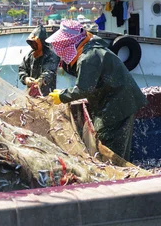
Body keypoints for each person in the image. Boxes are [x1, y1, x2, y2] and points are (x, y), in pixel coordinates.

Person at [46, 19, 147, 160]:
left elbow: (84, 89)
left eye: (61, 45)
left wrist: (61, 96)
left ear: (70, 42)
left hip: (119, 102)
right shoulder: (90, 46)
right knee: (106, 139)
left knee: (110, 145)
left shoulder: (89, 57)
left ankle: (118, 176)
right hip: (115, 99)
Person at [18, 25, 59, 96]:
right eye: (31, 43)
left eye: (35, 43)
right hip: (30, 95)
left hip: (47, 95)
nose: (33, 44)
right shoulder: (29, 56)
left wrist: (40, 81)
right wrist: (25, 79)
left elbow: (49, 72)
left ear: (41, 42)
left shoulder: (51, 56)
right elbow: (22, 69)